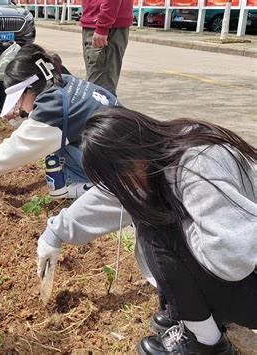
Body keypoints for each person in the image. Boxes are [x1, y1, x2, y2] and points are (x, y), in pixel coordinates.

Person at [37, 107, 256, 354]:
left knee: (155, 223)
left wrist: (176, 224)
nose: (124, 189)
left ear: (130, 160)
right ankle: (202, 318)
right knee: (151, 208)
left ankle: (206, 343)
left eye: (120, 179)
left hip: (244, 274)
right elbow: (109, 197)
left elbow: (231, 259)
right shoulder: (156, 156)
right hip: (242, 274)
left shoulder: (197, 165)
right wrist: (55, 233)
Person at [0, 47, 119, 199]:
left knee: (52, 146)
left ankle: (101, 190)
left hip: (118, 168)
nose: (19, 105)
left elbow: (18, 147)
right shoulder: (63, 81)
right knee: (58, 142)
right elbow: (44, 117)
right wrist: (22, 112)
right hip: (121, 147)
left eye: (18, 98)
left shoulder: (52, 111)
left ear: (29, 89)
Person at [80, 0, 133, 96]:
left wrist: (103, 26)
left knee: (100, 92)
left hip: (105, 25)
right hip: (95, 21)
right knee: (97, 87)